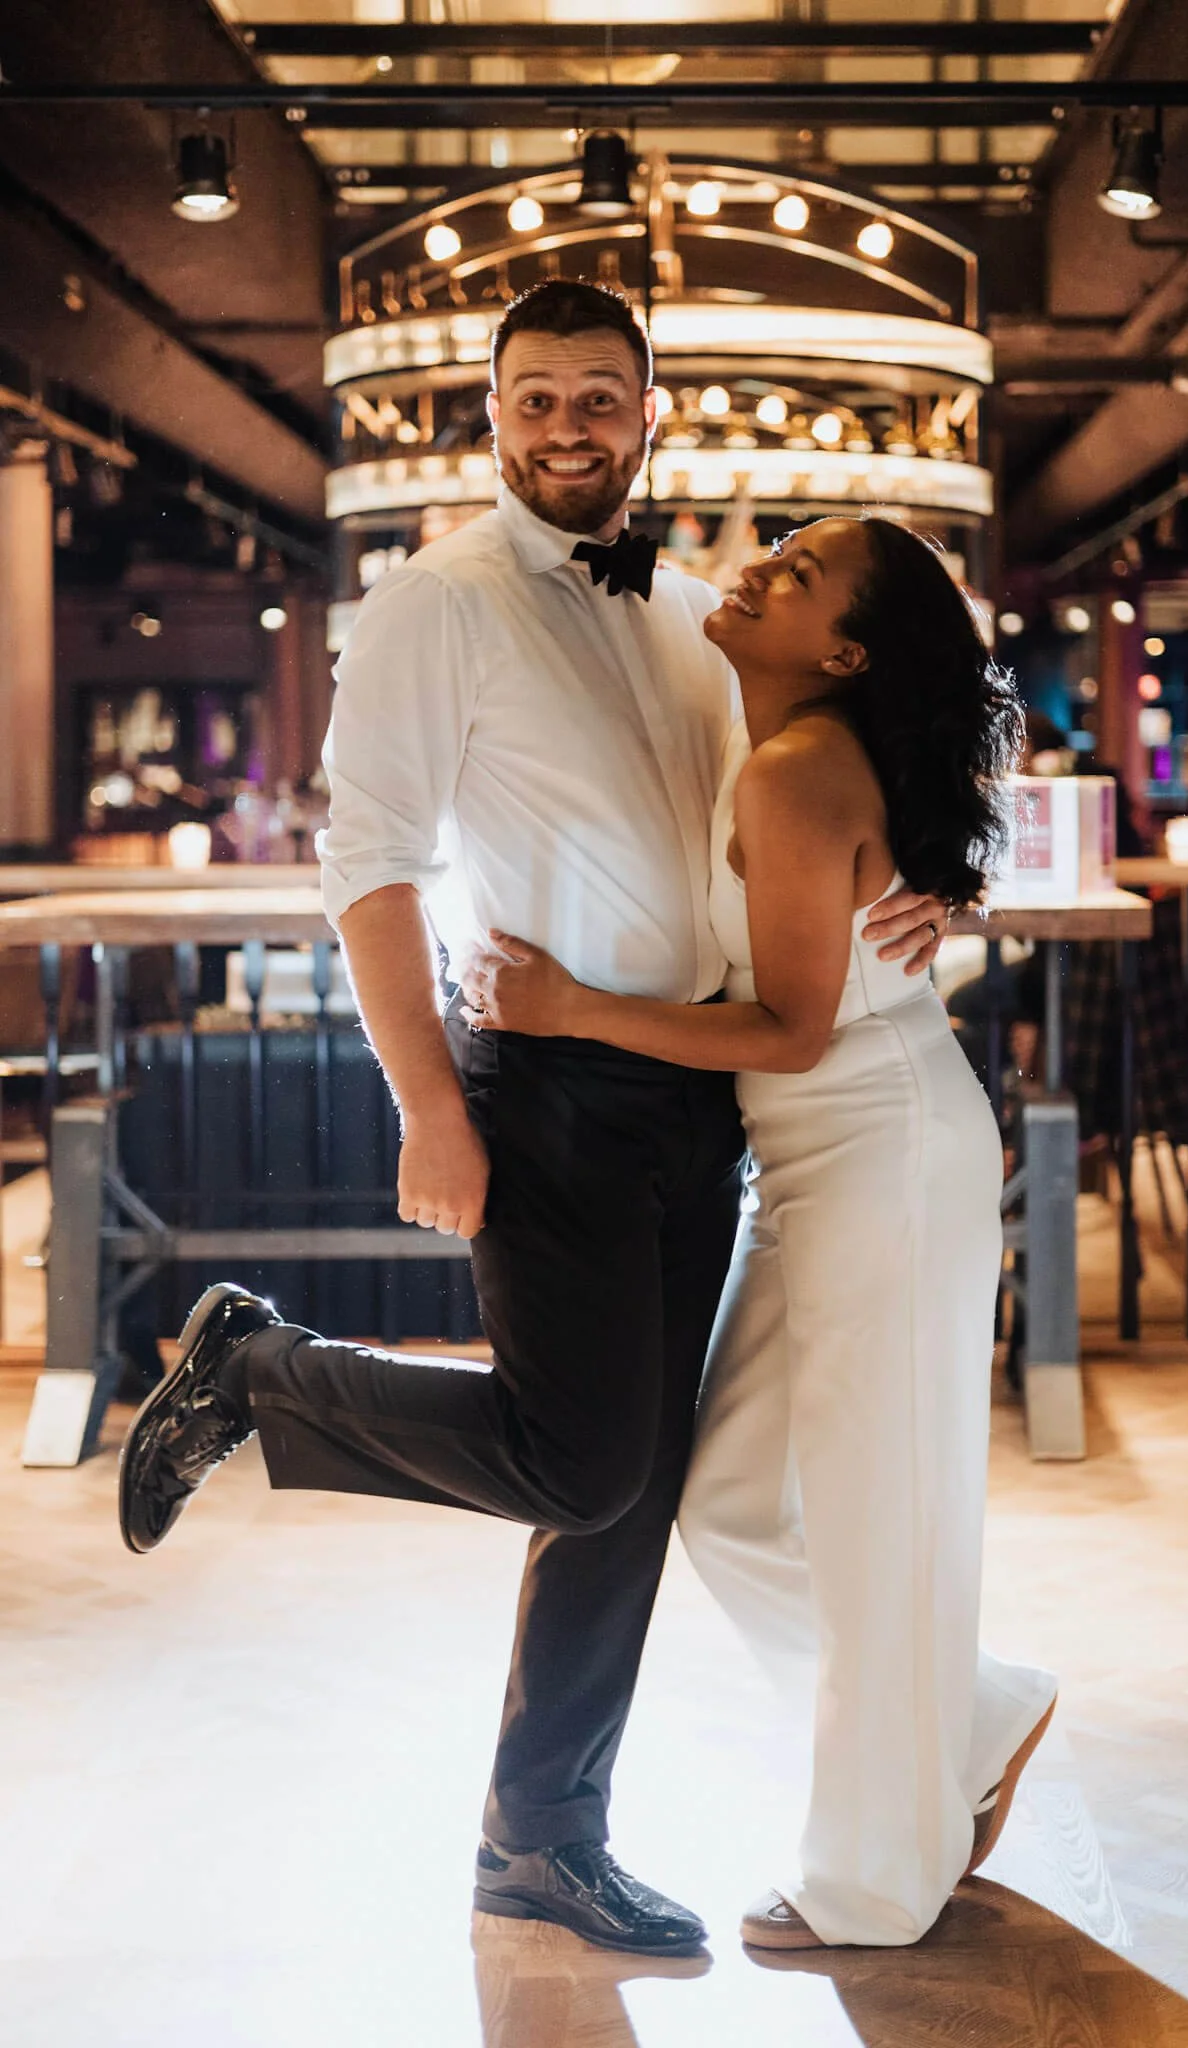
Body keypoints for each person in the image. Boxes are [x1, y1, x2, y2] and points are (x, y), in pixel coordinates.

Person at [115, 279, 947, 1959]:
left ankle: (542, 1841)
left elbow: (871, 728)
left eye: (600, 396)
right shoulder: (435, 603)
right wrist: (429, 1101)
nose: (570, 424)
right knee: (584, 1461)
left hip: (701, 1090)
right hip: (550, 1086)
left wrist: (931, 877)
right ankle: (256, 1369)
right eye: (538, 396)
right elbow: (370, 869)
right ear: (490, 416)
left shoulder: (698, 614)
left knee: (626, 1494)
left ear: (650, 414)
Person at [461, 514, 1058, 1949]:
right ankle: (969, 1714)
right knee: (728, 1497)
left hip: (878, 1159)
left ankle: (874, 1879)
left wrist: (571, 1008)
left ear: (843, 653)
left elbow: (793, 1028)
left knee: (868, 1523)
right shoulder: (781, 739)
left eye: (798, 575)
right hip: (822, 1169)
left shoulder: (795, 769)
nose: (761, 565)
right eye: (781, 547)